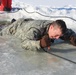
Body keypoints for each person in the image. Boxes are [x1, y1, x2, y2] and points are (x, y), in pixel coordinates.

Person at [0, 18, 76, 51]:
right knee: (1, 32)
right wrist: (39, 43)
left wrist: (73, 37)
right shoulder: (35, 30)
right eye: (56, 35)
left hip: (29, 22)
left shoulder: (57, 27)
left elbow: (68, 32)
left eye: (59, 36)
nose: (57, 38)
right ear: (52, 27)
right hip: (16, 27)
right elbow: (24, 43)